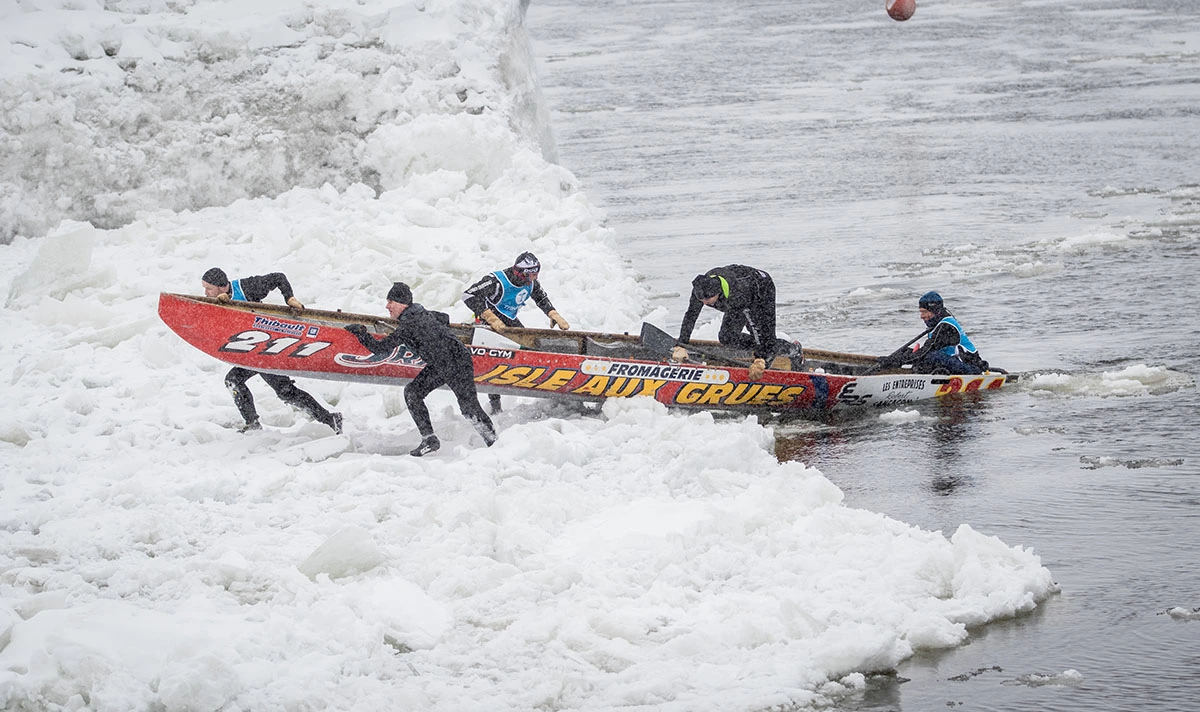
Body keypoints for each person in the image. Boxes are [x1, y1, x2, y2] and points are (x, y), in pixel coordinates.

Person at [345, 282, 497, 457]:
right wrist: (439, 338)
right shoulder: (420, 312)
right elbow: (444, 317)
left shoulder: (410, 324)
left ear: (402, 303)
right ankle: (429, 440)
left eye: (391, 302)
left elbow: (379, 349)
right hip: (441, 364)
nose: (387, 306)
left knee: (469, 408)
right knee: (413, 392)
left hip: (457, 363)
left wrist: (361, 333)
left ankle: (494, 443)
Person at [200, 267, 342, 434]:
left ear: (222, 287)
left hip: (269, 351)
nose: (205, 293)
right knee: (234, 380)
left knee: (285, 392)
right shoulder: (216, 300)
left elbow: (278, 277)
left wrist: (290, 298)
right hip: (252, 353)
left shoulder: (246, 287)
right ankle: (252, 424)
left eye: (208, 288)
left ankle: (330, 420)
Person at [461, 251, 570, 413]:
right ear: (521, 274)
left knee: (527, 351)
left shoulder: (531, 283)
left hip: (509, 322)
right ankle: (495, 406)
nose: (535, 278)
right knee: (494, 359)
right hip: (488, 323)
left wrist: (553, 313)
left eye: (536, 274)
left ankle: (544, 387)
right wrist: (489, 316)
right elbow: (468, 295)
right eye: (532, 275)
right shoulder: (495, 281)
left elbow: (540, 298)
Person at [673, 264, 802, 380]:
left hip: (762, 290)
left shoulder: (739, 292)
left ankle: (793, 350)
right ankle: (768, 348)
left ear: (717, 292)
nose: (705, 303)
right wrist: (682, 345)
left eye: (708, 299)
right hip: (736, 302)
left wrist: (760, 358)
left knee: (765, 339)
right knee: (727, 338)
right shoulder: (701, 288)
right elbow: (691, 316)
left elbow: (754, 324)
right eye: (702, 300)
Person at [878, 291, 989, 375]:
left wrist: (895, 361)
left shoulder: (946, 326)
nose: (921, 316)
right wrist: (899, 356)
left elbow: (925, 352)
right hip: (956, 363)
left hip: (971, 370)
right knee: (907, 352)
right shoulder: (938, 323)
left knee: (931, 356)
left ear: (936, 311)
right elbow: (925, 350)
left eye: (924, 312)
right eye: (921, 312)